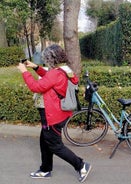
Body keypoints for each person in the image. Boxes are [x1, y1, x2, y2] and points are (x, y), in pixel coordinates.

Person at [17, 44, 92, 183]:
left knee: (55, 145)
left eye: (45, 58)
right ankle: (45, 169)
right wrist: (34, 67)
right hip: (56, 114)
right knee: (44, 141)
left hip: (52, 116)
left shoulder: (55, 73)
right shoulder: (62, 70)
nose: (44, 60)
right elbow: (48, 78)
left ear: (50, 59)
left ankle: (81, 165)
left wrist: (24, 72)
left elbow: (36, 87)